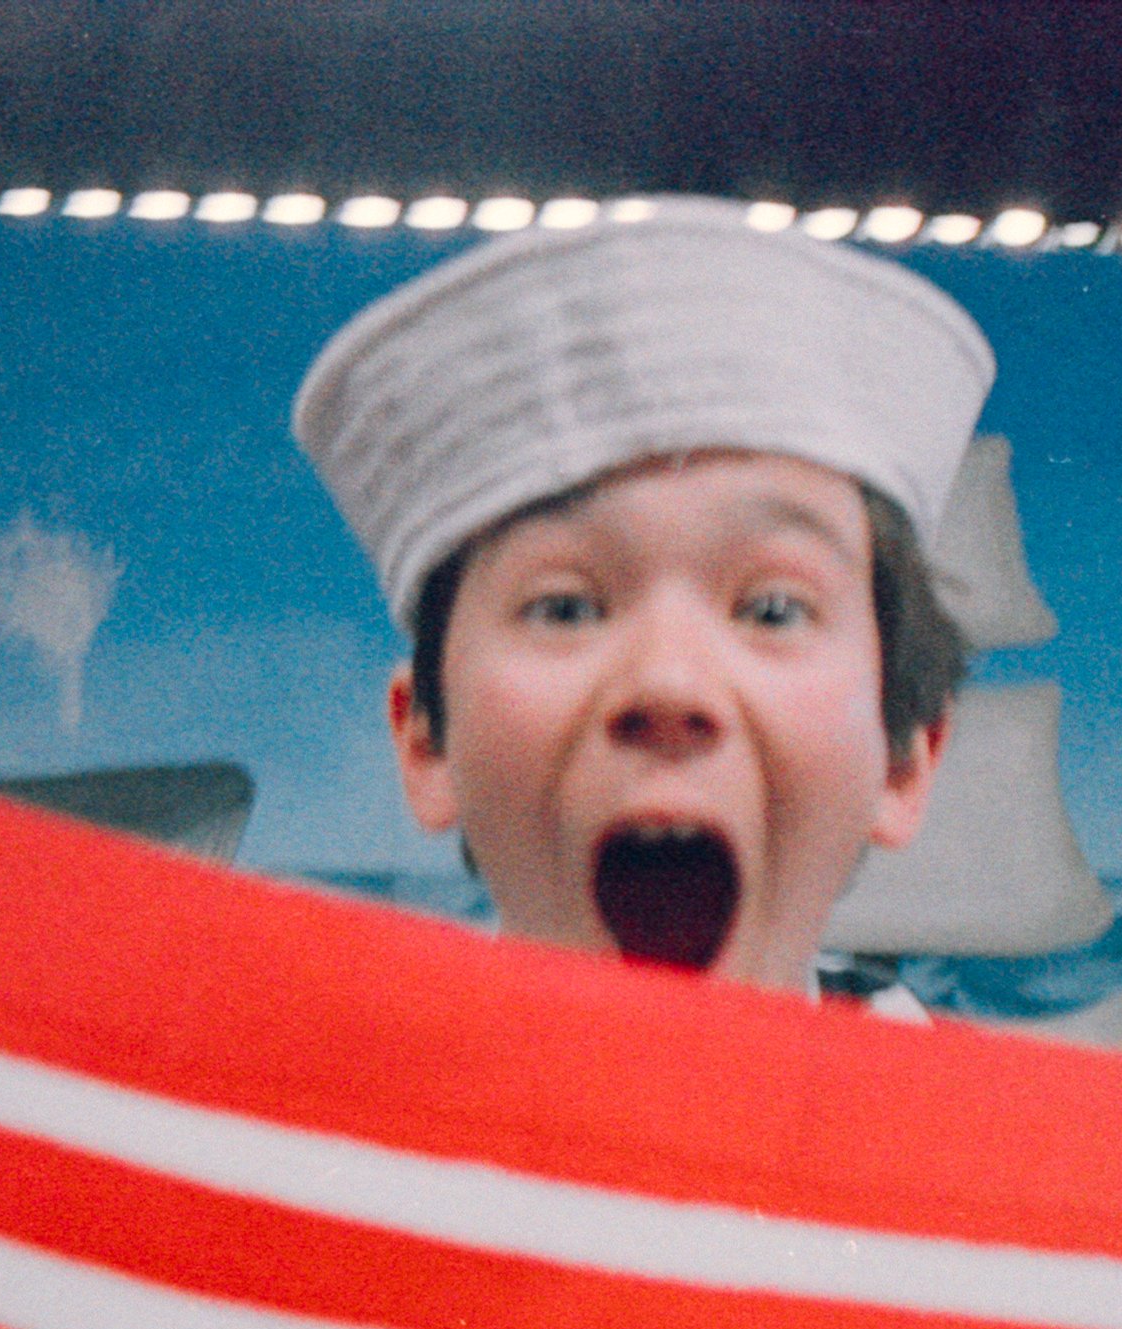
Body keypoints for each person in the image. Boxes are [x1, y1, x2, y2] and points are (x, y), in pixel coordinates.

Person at [292, 196, 992, 1012]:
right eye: (564, 608)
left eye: (773, 609)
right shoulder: (300, 1093)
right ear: (427, 742)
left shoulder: (969, 1097)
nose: (667, 682)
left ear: (903, 756)